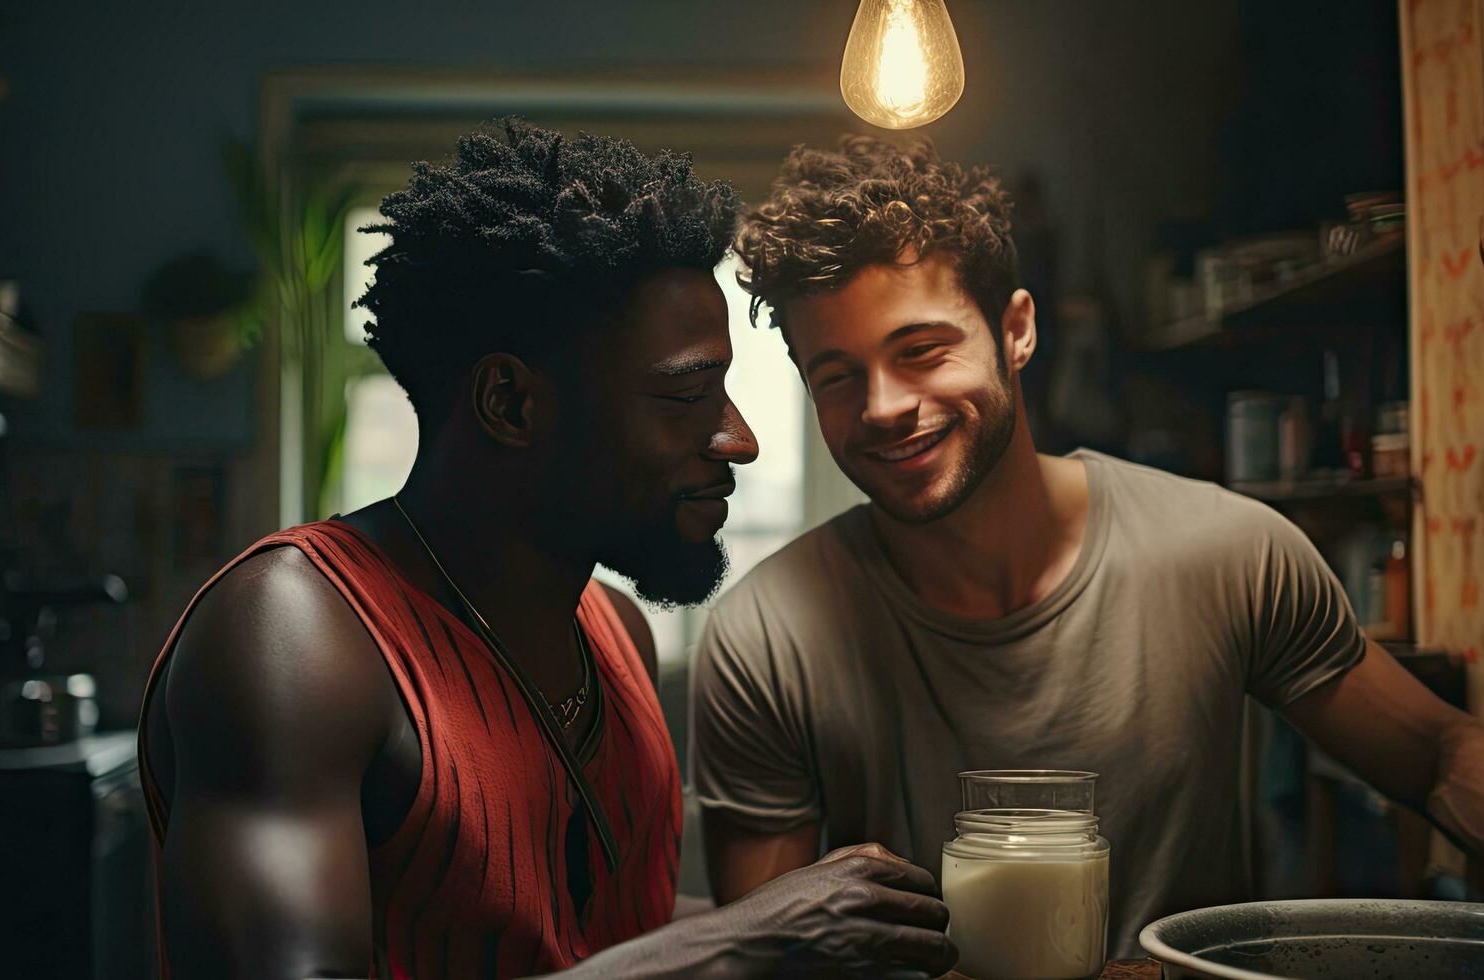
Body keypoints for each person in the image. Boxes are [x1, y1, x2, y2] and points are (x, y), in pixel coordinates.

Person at [689, 135, 1484, 956]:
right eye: (838, 377)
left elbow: (1437, 759)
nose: (882, 406)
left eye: (921, 350)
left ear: (1016, 331)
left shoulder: (1226, 553)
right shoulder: (768, 637)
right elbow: (767, 954)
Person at [137, 121, 957, 980]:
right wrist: (743, 940)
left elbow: (577, 940)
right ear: (511, 404)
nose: (739, 439)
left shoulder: (616, 637)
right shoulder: (296, 638)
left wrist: (839, 926)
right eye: (683, 395)